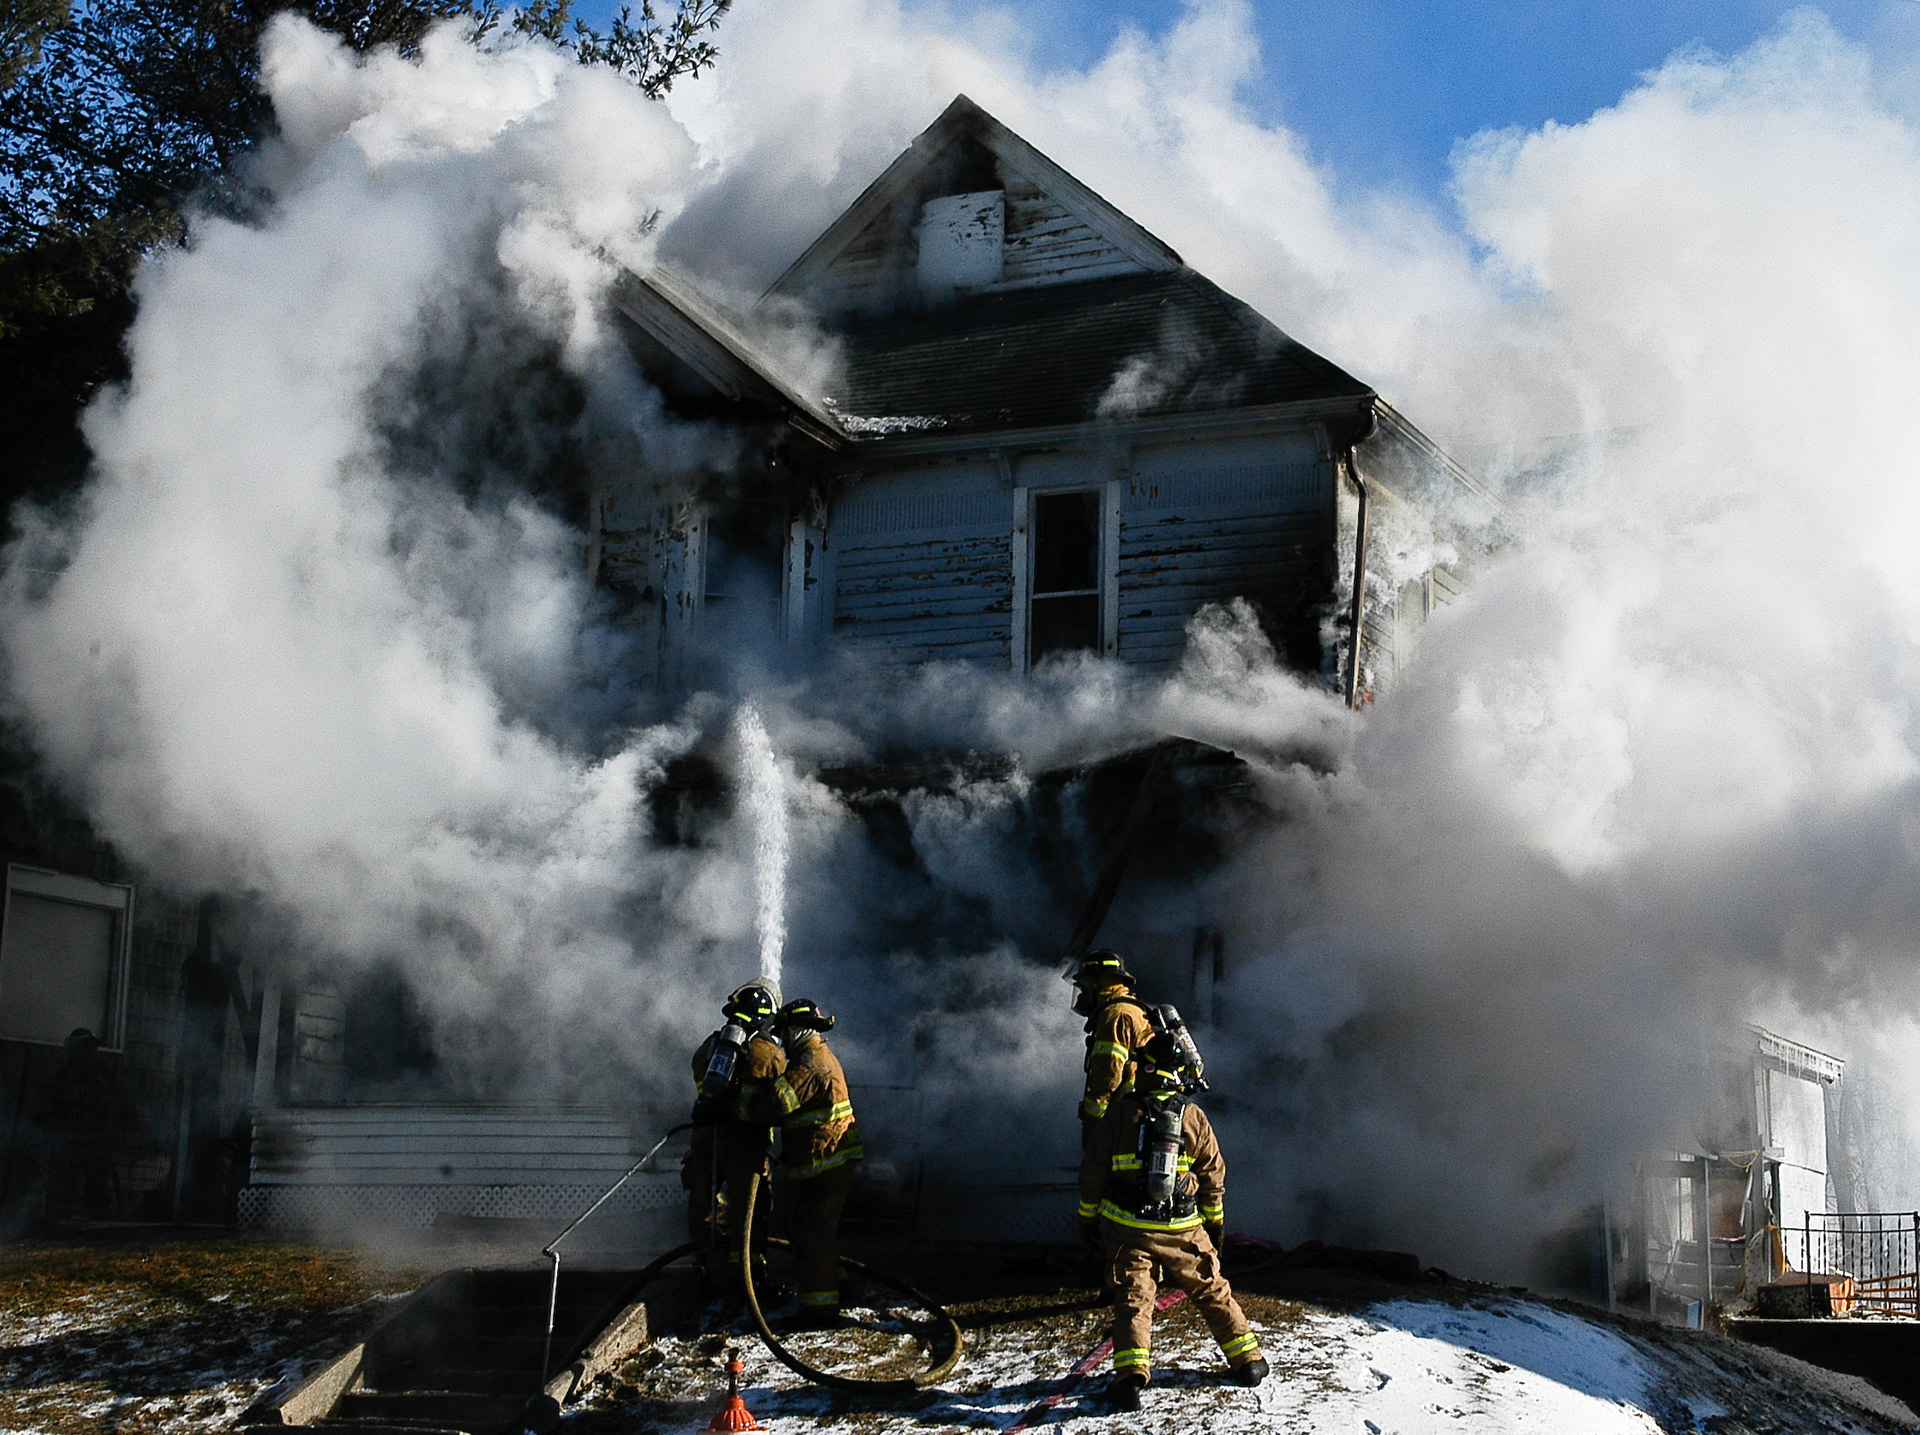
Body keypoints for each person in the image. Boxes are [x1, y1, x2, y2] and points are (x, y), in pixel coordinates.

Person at [1077, 1032, 1268, 1410]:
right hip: (1183, 1229)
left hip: (1130, 1228)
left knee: (1133, 1298)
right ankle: (1248, 1361)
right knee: (1212, 1289)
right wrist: (1215, 1224)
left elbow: (1093, 1170)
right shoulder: (1192, 1115)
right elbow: (1213, 1174)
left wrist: (1087, 1217)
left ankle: (1130, 1378)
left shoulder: (1122, 1112)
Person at [761, 997, 863, 1328]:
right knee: (816, 1231)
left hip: (825, 1162)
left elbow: (778, 1102)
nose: (782, 1039)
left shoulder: (810, 1062)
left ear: (797, 1029)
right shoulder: (815, 1055)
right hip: (826, 1161)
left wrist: (746, 1096)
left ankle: (819, 1311)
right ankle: (839, 1287)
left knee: (812, 1234)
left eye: (784, 1032)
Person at [683, 979, 785, 1293]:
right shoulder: (770, 1054)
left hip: (706, 1139)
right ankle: (750, 1280)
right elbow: (779, 1102)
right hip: (747, 1145)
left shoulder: (708, 1049)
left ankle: (707, 1272)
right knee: (750, 1210)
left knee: (704, 1203)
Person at [1071, 950, 1155, 1146]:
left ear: (1097, 983)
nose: (1081, 995)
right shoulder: (1132, 1009)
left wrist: (1093, 1134)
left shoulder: (1115, 1016)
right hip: (1136, 1113)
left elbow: (1106, 1081)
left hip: (1124, 1117)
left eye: (1083, 988)